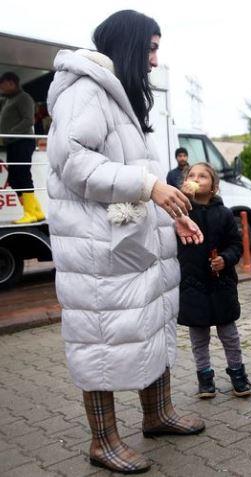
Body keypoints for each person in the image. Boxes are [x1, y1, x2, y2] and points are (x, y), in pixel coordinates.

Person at [46, 10, 205, 473]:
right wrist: (148, 186)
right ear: (131, 45)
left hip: (131, 242)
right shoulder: (86, 91)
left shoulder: (118, 95)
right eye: (151, 48)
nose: (155, 60)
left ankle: (157, 414)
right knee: (100, 340)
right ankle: (103, 441)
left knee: (149, 324)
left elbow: (133, 169)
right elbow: (73, 162)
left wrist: (170, 215)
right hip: (98, 249)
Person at [178, 162, 251, 399]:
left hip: (221, 284)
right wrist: (180, 202)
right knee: (199, 338)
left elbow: (236, 244)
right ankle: (205, 377)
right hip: (192, 285)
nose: (196, 179)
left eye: (203, 176)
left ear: (213, 187)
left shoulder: (224, 213)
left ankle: (238, 374)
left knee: (229, 334)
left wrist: (226, 259)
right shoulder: (179, 214)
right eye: (192, 175)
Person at [0, 71, 44, 224]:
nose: (1, 87)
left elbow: (28, 120)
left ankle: (30, 213)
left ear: (11, 83)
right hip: (13, 142)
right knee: (14, 178)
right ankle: (37, 211)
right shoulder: (8, 100)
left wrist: (9, 134)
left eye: (2, 84)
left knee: (22, 175)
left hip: (22, 141)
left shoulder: (24, 98)